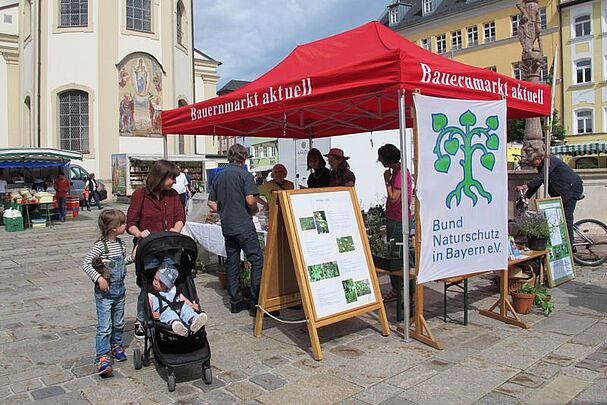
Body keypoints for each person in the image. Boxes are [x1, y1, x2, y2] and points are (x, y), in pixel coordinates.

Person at [127, 159, 185, 339]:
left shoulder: (173, 195)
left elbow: (180, 217)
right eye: (171, 179)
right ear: (160, 177)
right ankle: (142, 318)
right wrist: (140, 233)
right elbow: (131, 223)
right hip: (149, 249)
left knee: (167, 284)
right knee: (149, 286)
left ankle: (168, 315)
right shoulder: (140, 196)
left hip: (169, 248)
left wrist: (176, 230)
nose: (174, 182)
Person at [208, 144, 263, 316]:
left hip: (228, 225)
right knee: (257, 260)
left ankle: (235, 301)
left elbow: (211, 202)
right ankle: (256, 302)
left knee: (232, 261)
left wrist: (224, 210)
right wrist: (254, 209)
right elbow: (250, 201)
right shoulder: (245, 175)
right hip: (243, 224)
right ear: (243, 158)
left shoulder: (219, 176)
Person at [82, 209, 134, 377]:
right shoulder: (100, 246)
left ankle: (116, 346)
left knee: (118, 323)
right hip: (105, 293)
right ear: (113, 227)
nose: (126, 226)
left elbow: (123, 263)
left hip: (120, 290)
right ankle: (102, 357)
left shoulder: (121, 244)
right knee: (105, 326)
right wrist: (99, 278)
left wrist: (132, 257)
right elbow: (86, 264)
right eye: (123, 223)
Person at [517, 152, 584, 246]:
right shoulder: (542, 166)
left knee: (566, 217)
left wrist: (526, 186)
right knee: (557, 217)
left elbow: (542, 177)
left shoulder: (550, 161)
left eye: (533, 164)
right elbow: (538, 182)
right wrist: (526, 196)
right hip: (562, 192)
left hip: (572, 189)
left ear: (538, 159)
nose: (533, 167)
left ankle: (570, 245)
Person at [377, 144, 413, 302]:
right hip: (395, 217)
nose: (379, 160)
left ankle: (407, 293)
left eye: (381, 158)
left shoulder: (399, 174)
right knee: (395, 254)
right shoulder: (399, 172)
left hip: (398, 219)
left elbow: (393, 197)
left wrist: (386, 182)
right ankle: (397, 289)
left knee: (399, 255)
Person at [148, 264, 208, 337]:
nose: (156, 283)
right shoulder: (151, 294)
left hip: (178, 306)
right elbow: (149, 305)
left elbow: (182, 298)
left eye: (161, 282)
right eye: (155, 279)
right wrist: (152, 314)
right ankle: (177, 325)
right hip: (164, 310)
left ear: (168, 285)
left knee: (186, 309)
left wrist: (191, 305)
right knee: (169, 315)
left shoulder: (173, 289)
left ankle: (194, 319)